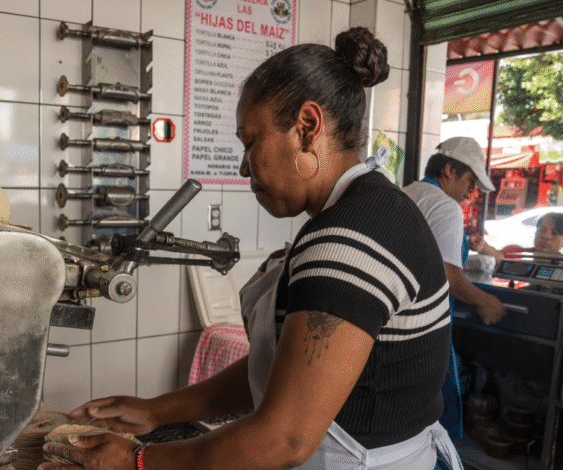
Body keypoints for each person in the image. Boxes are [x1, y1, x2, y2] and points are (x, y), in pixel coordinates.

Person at [41, 27, 461, 470]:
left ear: (308, 127)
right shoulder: (368, 211)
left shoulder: (348, 241)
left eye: (251, 142)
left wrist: (138, 461)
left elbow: (284, 438)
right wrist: (156, 411)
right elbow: (288, 377)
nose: (244, 166)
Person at [402, 137, 507, 444]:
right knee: (439, 408)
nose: (470, 191)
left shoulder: (406, 193)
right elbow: (446, 274)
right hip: (427, 325)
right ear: (450, 170)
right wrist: (485, 300)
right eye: (470, 181)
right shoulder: (445, 206)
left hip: (397, 320)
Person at [471, 212, 563, 262]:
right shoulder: (517, 252)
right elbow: (500, 258)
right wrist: (483, 246)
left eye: (555, 233)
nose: (546, 236)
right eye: (541, 230)